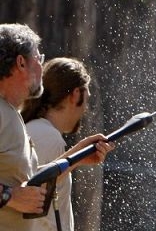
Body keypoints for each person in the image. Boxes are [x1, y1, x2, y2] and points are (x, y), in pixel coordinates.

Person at [0, 24, 113, 231]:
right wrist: (10, 196)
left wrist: (75, 158)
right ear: (21, 63)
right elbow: (17, 193)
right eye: (38, 59)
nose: (41, 68)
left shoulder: (10, 113)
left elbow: (31, 182)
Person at [21, 57, 94, 231]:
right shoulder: (47, 136)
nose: (86, 109)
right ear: (76, 94)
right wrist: (77, 153)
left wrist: (78, 156)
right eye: (87, 100)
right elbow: (30, 192)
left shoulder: (37, 130)